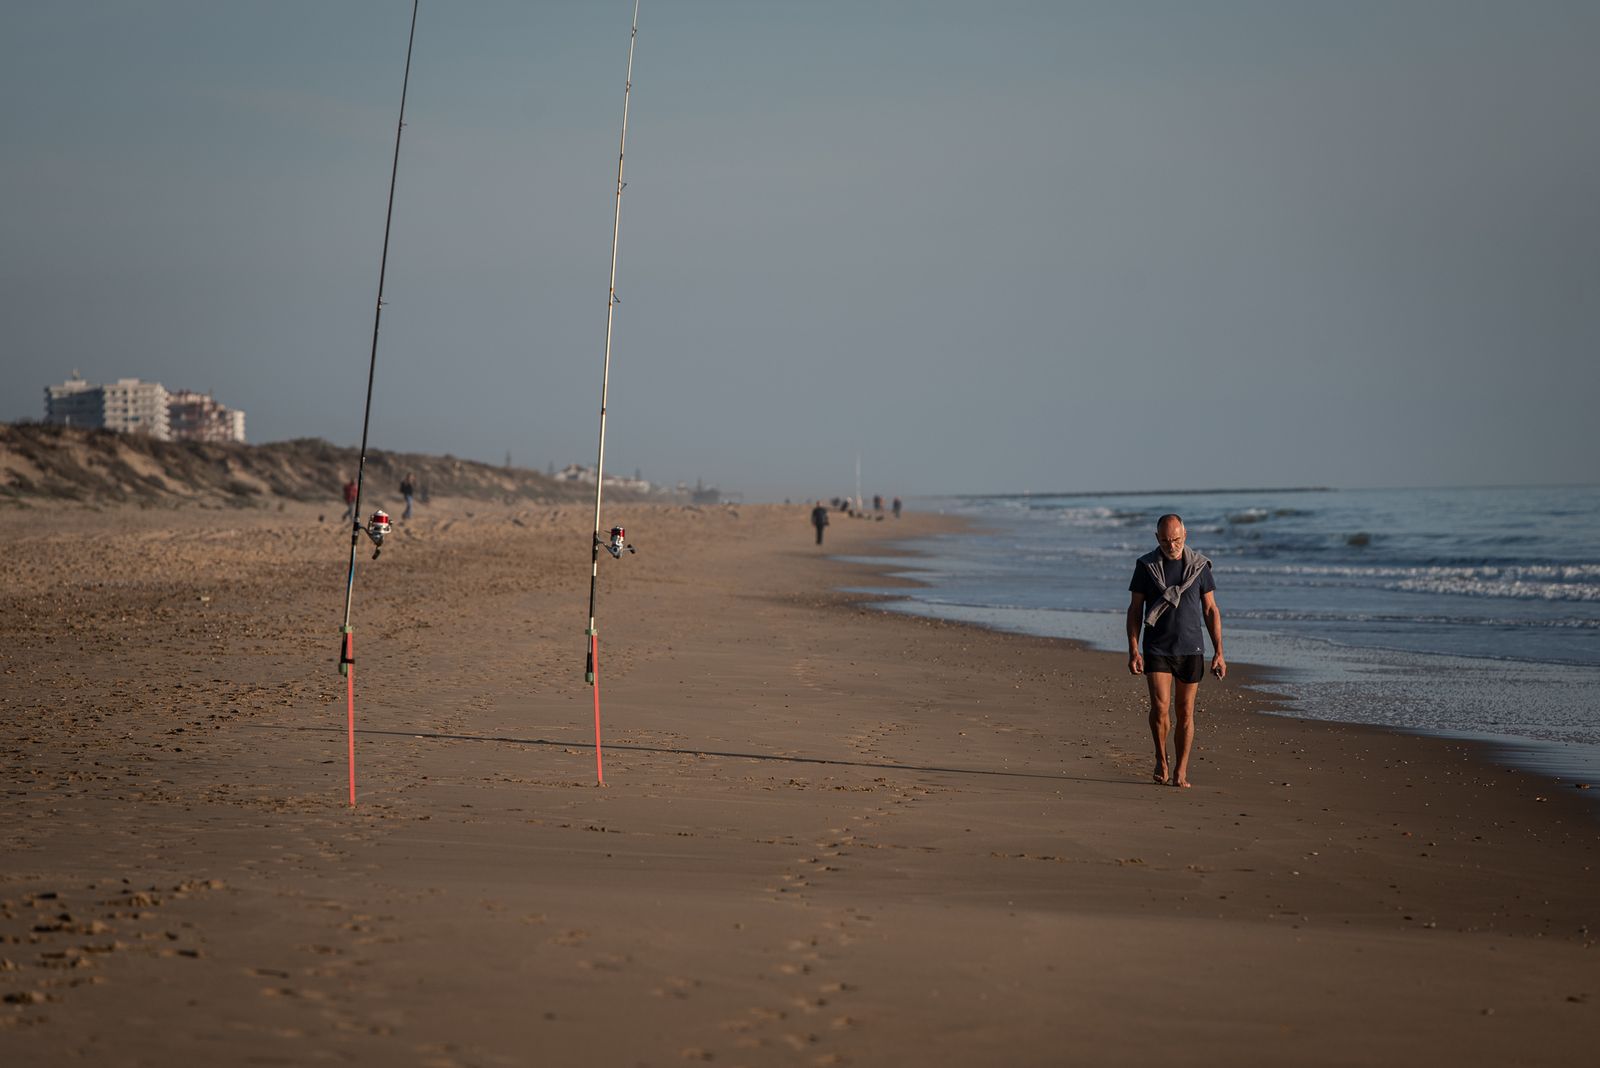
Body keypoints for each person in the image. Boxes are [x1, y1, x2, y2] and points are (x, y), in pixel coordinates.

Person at [1126, 514, 1225, 788]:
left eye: (1177, 540)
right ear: (1157, 539)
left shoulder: (1199, 567)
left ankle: (1181, 769)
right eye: (1167, 541)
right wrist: (1134, 648)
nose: (1173, 546)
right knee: (1160, 708)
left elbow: (1210, 610)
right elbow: (1135, 610)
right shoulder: (1145, 566)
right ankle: (1161, 758)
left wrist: (1219, 651)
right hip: (1157, 646)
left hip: (1191, 648)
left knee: (1186, 711)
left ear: (1186, 535)